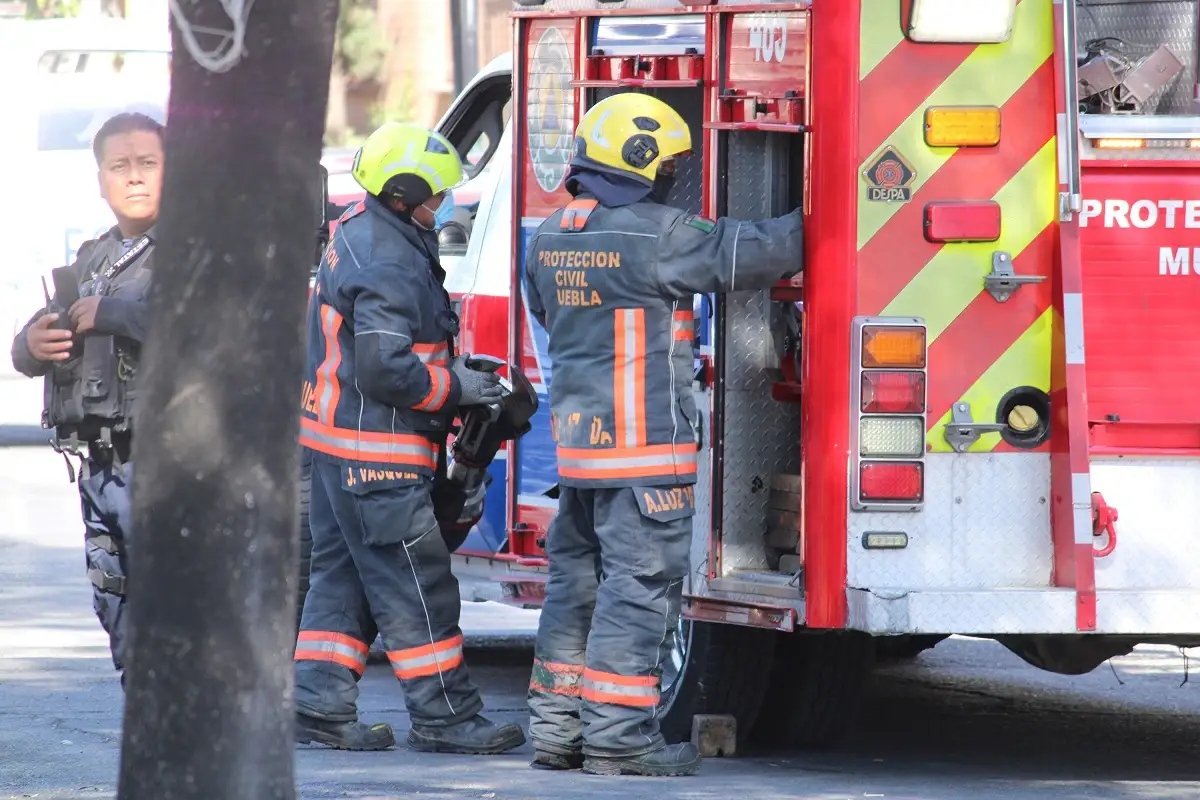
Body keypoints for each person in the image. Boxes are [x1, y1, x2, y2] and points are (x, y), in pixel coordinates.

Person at [523, 92, 804, 776]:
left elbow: (544, 310)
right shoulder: (658, 235)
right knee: (637, 588)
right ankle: (620, 739)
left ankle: (557, 733)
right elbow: (761, 252)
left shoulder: (551, 235)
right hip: (646, 456)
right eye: (670, 162)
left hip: (581, 455)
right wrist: (861, 189)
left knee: (574, 590)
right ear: (641, 162)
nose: (674, 174)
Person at [293, 121, 526, 755]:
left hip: (337, 449)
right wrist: (460, 388)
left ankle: (318, 705)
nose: (446, 200)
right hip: (379, 455)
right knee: (416, 586)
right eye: (438, 191)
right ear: (404, 191)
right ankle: (446, 717)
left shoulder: (363, 234)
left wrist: (454, 372)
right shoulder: (392, 260)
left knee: (339, 580)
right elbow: (386, 368)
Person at [9, 112, 165, 681]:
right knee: (116, 599)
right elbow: (26, 350)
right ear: (100, 178)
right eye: (119, 166)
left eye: (148, 163)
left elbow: (213, 331)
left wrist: (115, 313)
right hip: (100, 466)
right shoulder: (94, 259)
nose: (135, 177)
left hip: (169, 465)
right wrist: (32, 344)